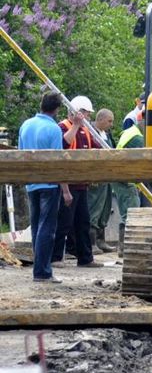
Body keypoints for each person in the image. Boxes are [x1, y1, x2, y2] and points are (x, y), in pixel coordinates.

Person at [17, 92, 69, 283]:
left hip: (31, 183)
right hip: (49, 183)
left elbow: (20, 154)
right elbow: (57, 161)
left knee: (37, 227)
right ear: (56, 109)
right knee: (47, 228)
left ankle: (39, 269)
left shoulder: (26, 125)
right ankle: (42, 272)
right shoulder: (54, 129)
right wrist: (65, 190)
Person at [54, 95, 97, 268]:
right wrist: (65, 189)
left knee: (83, 222)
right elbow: (63, 147)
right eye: (86, 113)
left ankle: (85, 258)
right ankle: (56, 257)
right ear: (77, 112)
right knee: (63, 222)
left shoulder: (87, 130)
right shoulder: (63, 127)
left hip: (81, 184)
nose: (88, 117)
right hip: (68, 183)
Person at [114, 112, 146, 255]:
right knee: (131, 212)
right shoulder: (137, 138)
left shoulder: (131, 131)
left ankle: (123, 247)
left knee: (128, 211)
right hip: (125, 179)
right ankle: (127, 248)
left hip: (122, 177)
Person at [85, 108, 117, 253]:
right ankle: (91, 243)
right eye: (109, 121)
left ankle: (101, 240)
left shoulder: (106, 134)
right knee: (94, 208)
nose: (111, 124)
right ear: (101, 119)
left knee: (105, 208)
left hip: (107, 177)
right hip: (96, 178)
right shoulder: (90, 132)